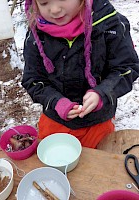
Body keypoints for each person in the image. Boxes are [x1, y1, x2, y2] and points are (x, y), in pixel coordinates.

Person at [22, 0, 139, 148]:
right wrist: (56, 101)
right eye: (44, 3)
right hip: (56, 118)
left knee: (97, 163)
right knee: (53, 160)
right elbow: (32, 79)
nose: (55, 9)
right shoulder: (36, 34)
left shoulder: (110, 24)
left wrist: (101, 93)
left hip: (98, 120)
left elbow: (126, 68)